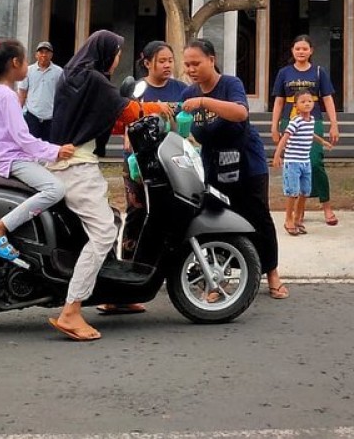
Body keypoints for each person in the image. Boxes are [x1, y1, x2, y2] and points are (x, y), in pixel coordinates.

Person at [45, 30, 170, 340]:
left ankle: (113, 294)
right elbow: (127, 111)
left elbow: (105, 118)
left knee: (112, 217)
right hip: (77, 168)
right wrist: (160, 108)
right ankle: (71, 311)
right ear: (106, 53)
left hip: (63, 163)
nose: (117, 60)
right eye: (116, 53)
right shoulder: (96, 80)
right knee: (103, 232)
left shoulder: (74, 76)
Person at [181, 38, 288, 299]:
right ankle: (219, 278)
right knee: (216, 219)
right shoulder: (187, 95)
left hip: (247, 162)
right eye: (187, 65)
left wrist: (205, 103)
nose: (191, 69)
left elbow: (240, 113)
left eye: (196, 63)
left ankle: (272, 272)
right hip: (213, 164)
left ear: (212, 60)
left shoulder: (231, 84)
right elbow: (181, 125)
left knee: (258, 215)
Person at [0, 40, 75, 262]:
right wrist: (55, 151)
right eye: (26, 59)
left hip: (5, 158)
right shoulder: (7, 95)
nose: (28, 64)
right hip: (13, 160)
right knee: (55, 189)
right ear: (15, 63)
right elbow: (22, 137)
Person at [98, 40, 188, 317]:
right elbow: (127, 121)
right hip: (139, 163)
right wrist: (129, 137)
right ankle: (125, 278)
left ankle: (165, 270)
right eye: (161, 61)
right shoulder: (138, 88)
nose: (167, 65)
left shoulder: (181, 89)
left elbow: (184, 122)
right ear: (147, 63)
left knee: (172, 215)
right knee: (137, 213)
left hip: (170, 162)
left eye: (170, 60)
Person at [270, 36, 341, 226]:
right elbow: (278, 101)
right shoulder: (284, 73)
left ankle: (326, 207)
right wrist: (274, 126)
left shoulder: (319, 72)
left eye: (304, 49)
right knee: (294, 166)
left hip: (313, 120)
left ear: (311, 51)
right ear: (292, 51)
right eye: (297, 49)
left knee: (315, 162)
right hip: (290, 119)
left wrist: (334, 123)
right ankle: (296, 214)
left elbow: (327, 99)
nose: (301, 52)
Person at [273, 90, 331, 235]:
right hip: (293, 162)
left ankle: (298, 219)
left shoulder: (311, 120)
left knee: (305, 192)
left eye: (309, 101)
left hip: (305, 162)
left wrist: (322, 141)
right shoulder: (295, 121)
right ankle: (288, 219)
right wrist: (277, 155)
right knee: (292, 192)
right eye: (303, 101)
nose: (307, 104)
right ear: (296, 106)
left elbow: (310, 133)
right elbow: (285, 138)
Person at [17, 41, 62, 140]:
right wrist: (18, 113)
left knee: (48, 148)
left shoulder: (59, 72)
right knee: (31, 146)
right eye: (41, 52)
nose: (44, 55)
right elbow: (22, 93)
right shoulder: (28, 71)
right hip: (32, 115)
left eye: (47, 52)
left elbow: (62, 95)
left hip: (50, 117)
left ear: (51, 55)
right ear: (36, 55)